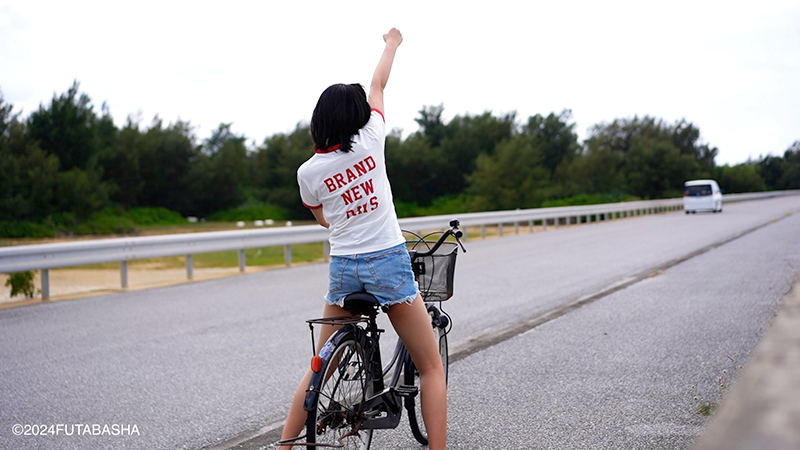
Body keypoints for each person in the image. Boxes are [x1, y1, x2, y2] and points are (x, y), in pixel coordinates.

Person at [278, 28, 447, 449]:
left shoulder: (308, 172)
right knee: (430, 367)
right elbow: (378, 84)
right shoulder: (371, 137)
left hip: (344, 268)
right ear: (356, 118)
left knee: (321, 366)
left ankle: (283, 447)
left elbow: (323, 220)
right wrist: (391, 44)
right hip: (387, 262)